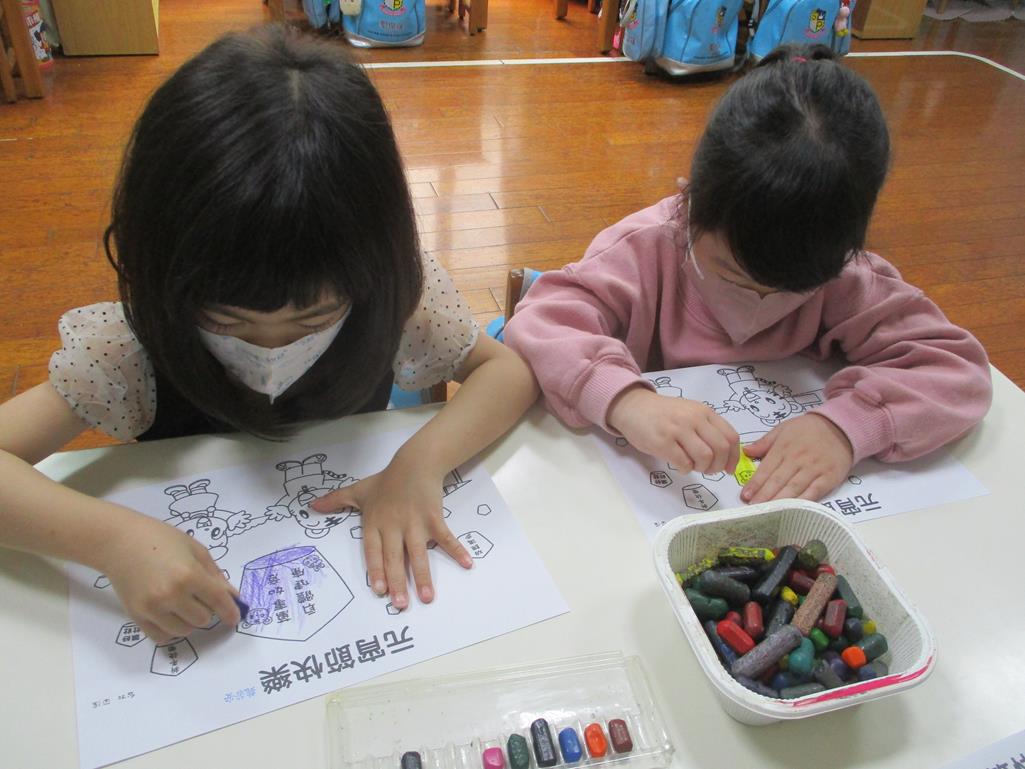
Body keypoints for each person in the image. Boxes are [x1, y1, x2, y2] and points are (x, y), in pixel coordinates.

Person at [0, 26, 537, 643]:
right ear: (160, 272)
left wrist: (420, 464)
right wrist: (110, 540)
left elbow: (506, 371)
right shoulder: (130, 349)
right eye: (226, 320)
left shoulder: (393, 297)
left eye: (313, 319)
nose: (271, 347)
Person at [504, 43, 991, 507]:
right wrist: (627, 402)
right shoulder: (645, 249)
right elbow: (540, 322)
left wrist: (847, 427)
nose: (757, 305)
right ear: (692, 201)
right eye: (731, 274)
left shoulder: (849, 276)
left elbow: (956, 372)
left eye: (791, 291)